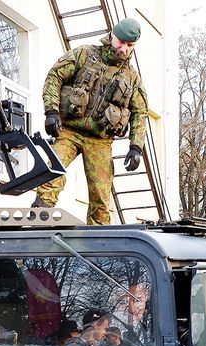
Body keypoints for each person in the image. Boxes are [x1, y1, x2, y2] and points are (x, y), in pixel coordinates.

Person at [32, 18, 148, 225]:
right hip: (69, 131)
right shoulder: (84, 54)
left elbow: (140, 112)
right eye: (121, 42)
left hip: (100, 140)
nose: (124, 48)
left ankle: (98, 238)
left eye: (130, 45)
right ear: (112, 36)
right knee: (51, 175)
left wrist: (136, 147)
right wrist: (51, 111)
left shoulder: (132, 78)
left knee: (101, 197)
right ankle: (39, 221)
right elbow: (55, 76)